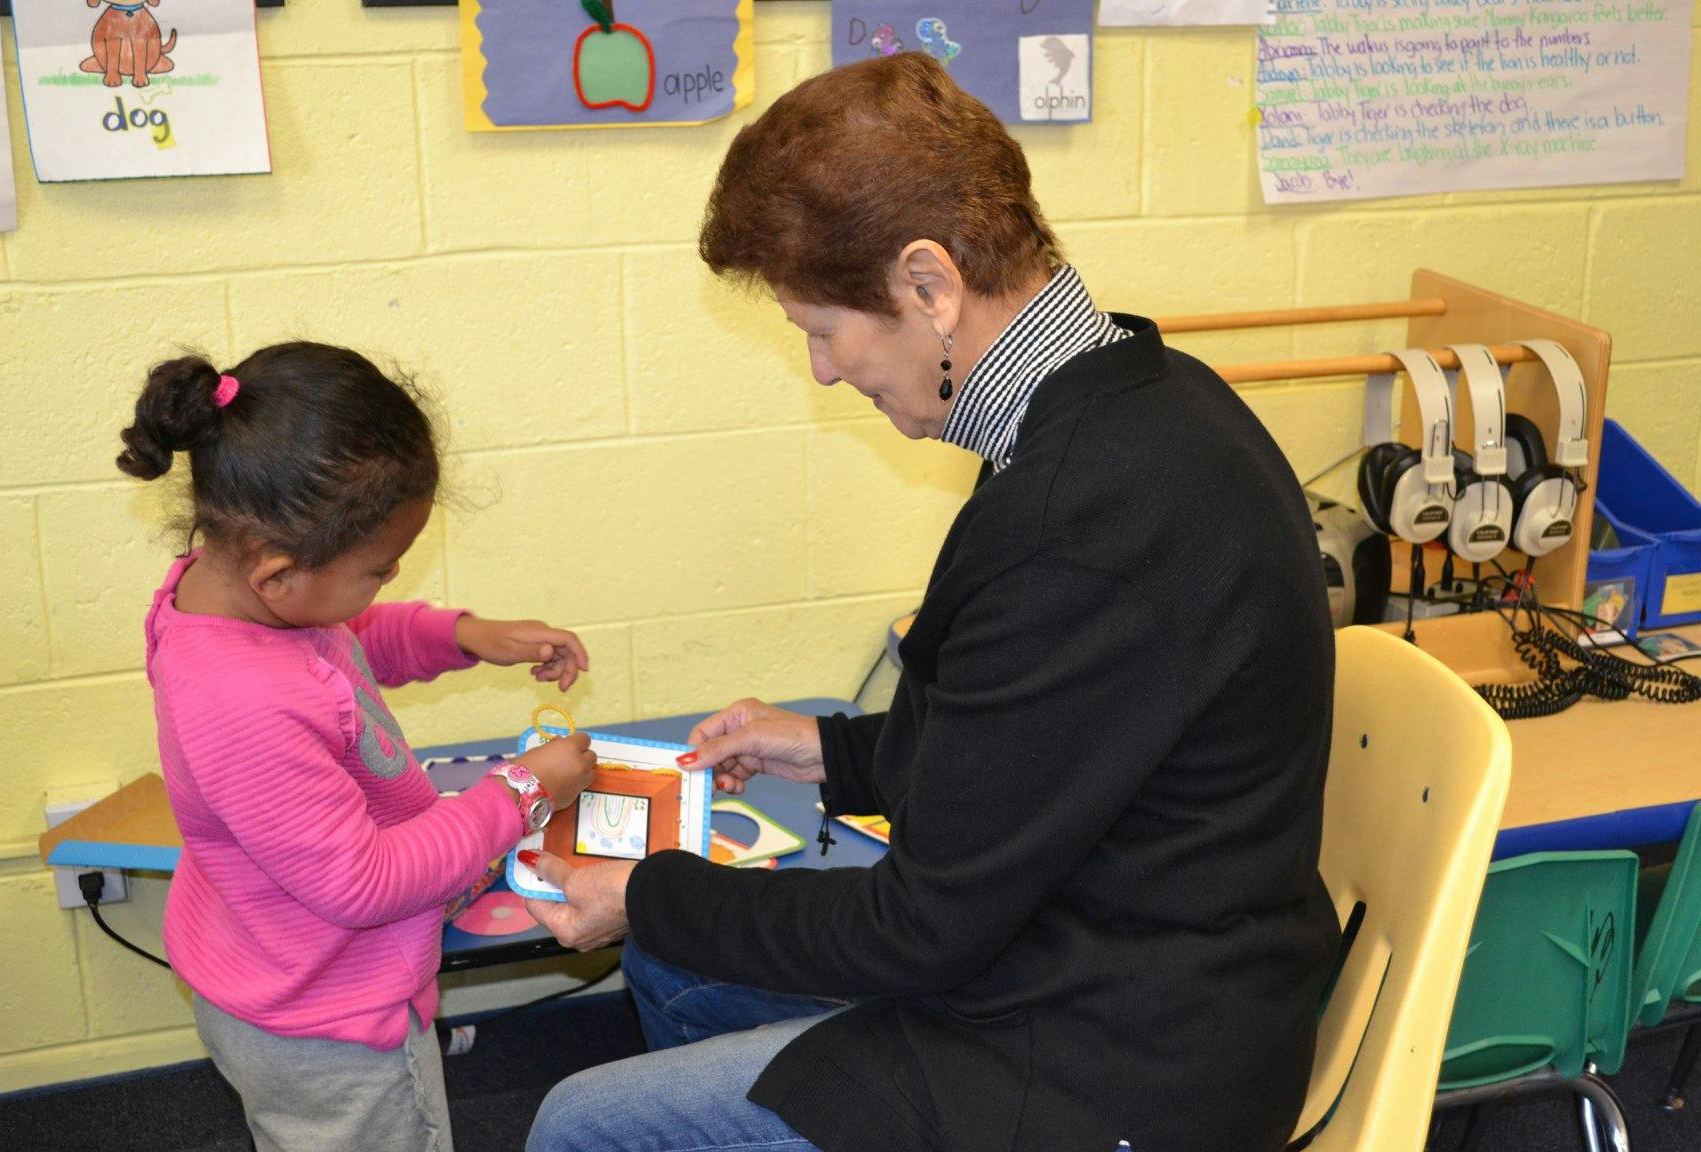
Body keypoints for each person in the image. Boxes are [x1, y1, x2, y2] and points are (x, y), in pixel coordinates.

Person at [525, 53, 1338, 1152]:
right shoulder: (1141, 394)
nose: (822, 370)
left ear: (929, 285)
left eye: (823, 329)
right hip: (1102, 953)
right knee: (681, 963)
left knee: (583, 1123)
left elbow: (916, 929)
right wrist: (830, 751)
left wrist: (645, 895)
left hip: (1116, 1066)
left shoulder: (1074, 524)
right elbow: (1037, 749)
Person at [119, 342, 599, 1152]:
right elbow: (363, 881)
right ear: (278, 573)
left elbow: (337, 642)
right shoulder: (243, 699)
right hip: (331, 1021)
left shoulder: (231, 594)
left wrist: (463, 636)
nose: (393, 578)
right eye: (379, 569)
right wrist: (521, 792)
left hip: (278, 970)